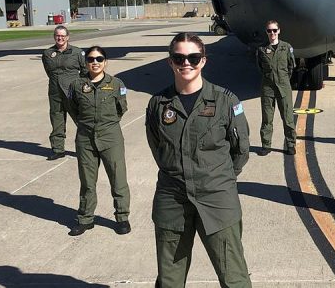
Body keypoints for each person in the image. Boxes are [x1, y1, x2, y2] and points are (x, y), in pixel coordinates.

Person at [145, 33, 251, 287]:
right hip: (172, 200)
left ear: (203, 61)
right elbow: (158, 148)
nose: (186, 63)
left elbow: (241, 150)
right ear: (170, 62)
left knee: (233, 277)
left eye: (193, 57)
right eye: (179, 57)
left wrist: (217, 177)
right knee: (170, 279)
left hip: (217, 197)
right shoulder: (158, 104)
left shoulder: (226, 101)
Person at [66, 46, 131, 236]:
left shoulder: (117, 84)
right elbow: (72, 108)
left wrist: (106, 125)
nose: (95, 62)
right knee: (87, 181)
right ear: (86, 63)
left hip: (111, 137)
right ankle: (86, 218)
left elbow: (121, 108)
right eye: (91, 59)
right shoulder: (76, 85)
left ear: (105, 62)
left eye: (99, 59)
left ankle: (122, 217)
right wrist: (86, 124)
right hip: (85, 139)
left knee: (118, 179)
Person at [41, 25, 86, 160]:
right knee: (57, 120)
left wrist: (81, 88)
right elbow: (49, 72)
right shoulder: (47, 53)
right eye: (57, 35)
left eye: (62, 36)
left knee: (81, 121)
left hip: (72, 92)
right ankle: (58, 149)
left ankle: (85, 149)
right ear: (54, 37)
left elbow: (84, 72)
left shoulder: (77, 52)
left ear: (67, 37)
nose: (60, 38)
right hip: (55, 93)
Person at [256, 20, 296, 156]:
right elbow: (260, 67)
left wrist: (283, 79)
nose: (272, 33)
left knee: (288, 117)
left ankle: (291, 144)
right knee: (267, 118)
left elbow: (291, 66)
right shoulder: (261, 49)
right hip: (268, 88)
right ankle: (266, 145)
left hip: (284, 87)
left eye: (274, 30)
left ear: (279, 31)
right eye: (269, 31)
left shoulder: (286, 47)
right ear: (266, 32)